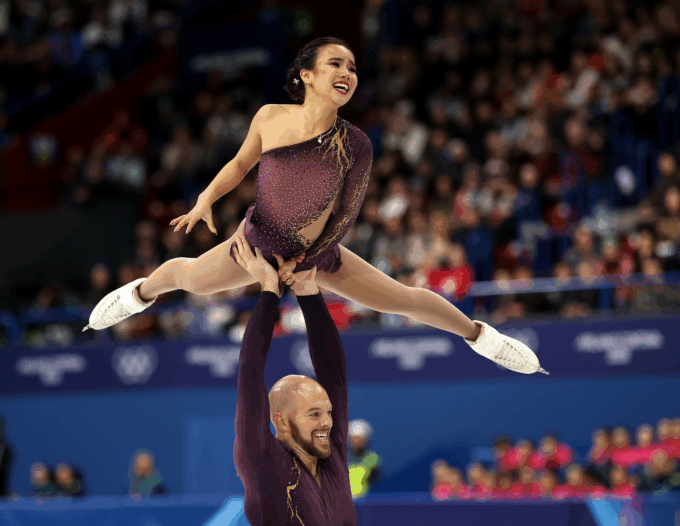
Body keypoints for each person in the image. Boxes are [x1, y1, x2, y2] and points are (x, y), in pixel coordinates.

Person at [84, 37, 546, 376]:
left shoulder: (356, 144)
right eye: (334, 64)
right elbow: (241, 163)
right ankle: (138, 295)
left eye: (352, 67)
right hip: (256, 242)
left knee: (403, 300)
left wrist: (308, 263)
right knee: (188, 279)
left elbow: (346, 214)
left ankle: (482, 338)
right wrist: (207, 197)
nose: (347, 72)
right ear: (306, 75)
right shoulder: (269, 116)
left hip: (317, 255)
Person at [230, 234, 357, 525]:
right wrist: (269, 291)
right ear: (281, 421)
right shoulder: (262, 461)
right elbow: (250, 373)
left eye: (326, 412)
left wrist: (308, 291)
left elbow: (334, 374)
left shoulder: (330, 454)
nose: (327, 421)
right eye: (314, 414)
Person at [347, 419, 382, 499]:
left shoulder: (373, 459)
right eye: (354, 438)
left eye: (359, 439)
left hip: (364, 504)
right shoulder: (339, 459)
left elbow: (375, 481)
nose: (356, 442)